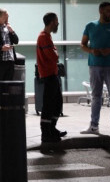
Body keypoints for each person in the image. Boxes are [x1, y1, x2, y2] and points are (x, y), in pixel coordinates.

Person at [80, 2, 110, 137]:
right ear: (101, 11)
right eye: (108, 11)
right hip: (95, 66)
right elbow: (82, 44)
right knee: (96, 96)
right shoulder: (90, 26)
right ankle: (94, 126)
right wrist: (91, 51)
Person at [37, 12, 66, 143]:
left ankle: (52, 129)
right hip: (48, 75)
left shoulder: (47, 36)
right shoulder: (44, 37)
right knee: (49, 105)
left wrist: (55, 53)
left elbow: (54, 54)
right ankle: (46, 133)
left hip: (52, 74)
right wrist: (56, 53)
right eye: (56, 21)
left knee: (57, 103)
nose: (58, 23)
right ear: (51, 22)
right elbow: (53, 56)